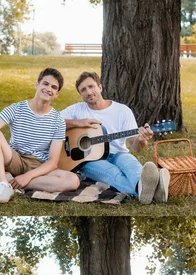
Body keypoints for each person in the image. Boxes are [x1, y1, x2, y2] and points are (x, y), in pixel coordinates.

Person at [0, 67, 80, 204]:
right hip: (15, 158)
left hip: (38, 166)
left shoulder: (58, 120)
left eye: (53, 87)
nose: (48, 89)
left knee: (73, 181)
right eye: (45, 84)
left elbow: (52, 162)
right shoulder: (16, 108)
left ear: (56, 94)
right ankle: (3, 184)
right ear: (37, 84)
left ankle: (13, 181)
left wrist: (27, 176)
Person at [61, 71, 170, 204]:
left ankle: (147, 189)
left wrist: (141, 140)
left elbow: (136, 147)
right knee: (113, 173)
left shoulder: (122, 111)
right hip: (88, 160)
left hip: (118, 154)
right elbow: (52, 122)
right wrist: (78, 122)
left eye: (91, 86)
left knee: (132, 166)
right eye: (83, 90)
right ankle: (151, 190)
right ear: (80, 94)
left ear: (100, 87)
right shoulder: (76, 110)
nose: (89, 92)